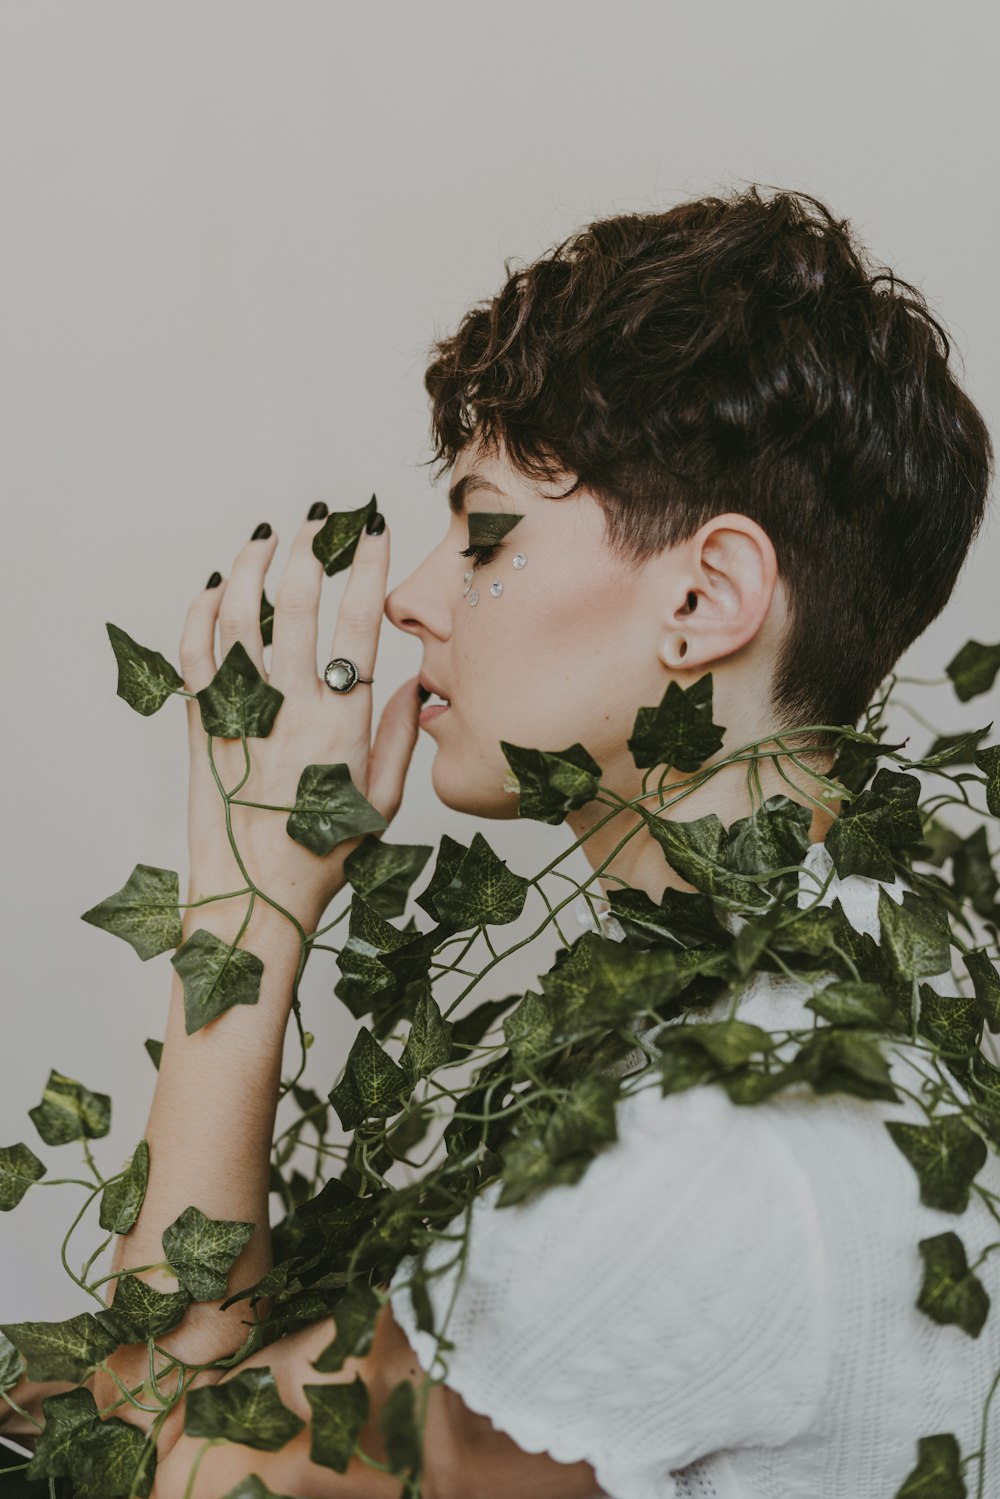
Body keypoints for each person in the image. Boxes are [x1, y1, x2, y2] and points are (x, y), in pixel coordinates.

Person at [4, 185, 996, 1498]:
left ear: (705, 598)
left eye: (482, 532)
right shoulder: (866, 987)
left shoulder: (722, 1145)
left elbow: (159, 1470)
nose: (415, 597)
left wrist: (249, 891)